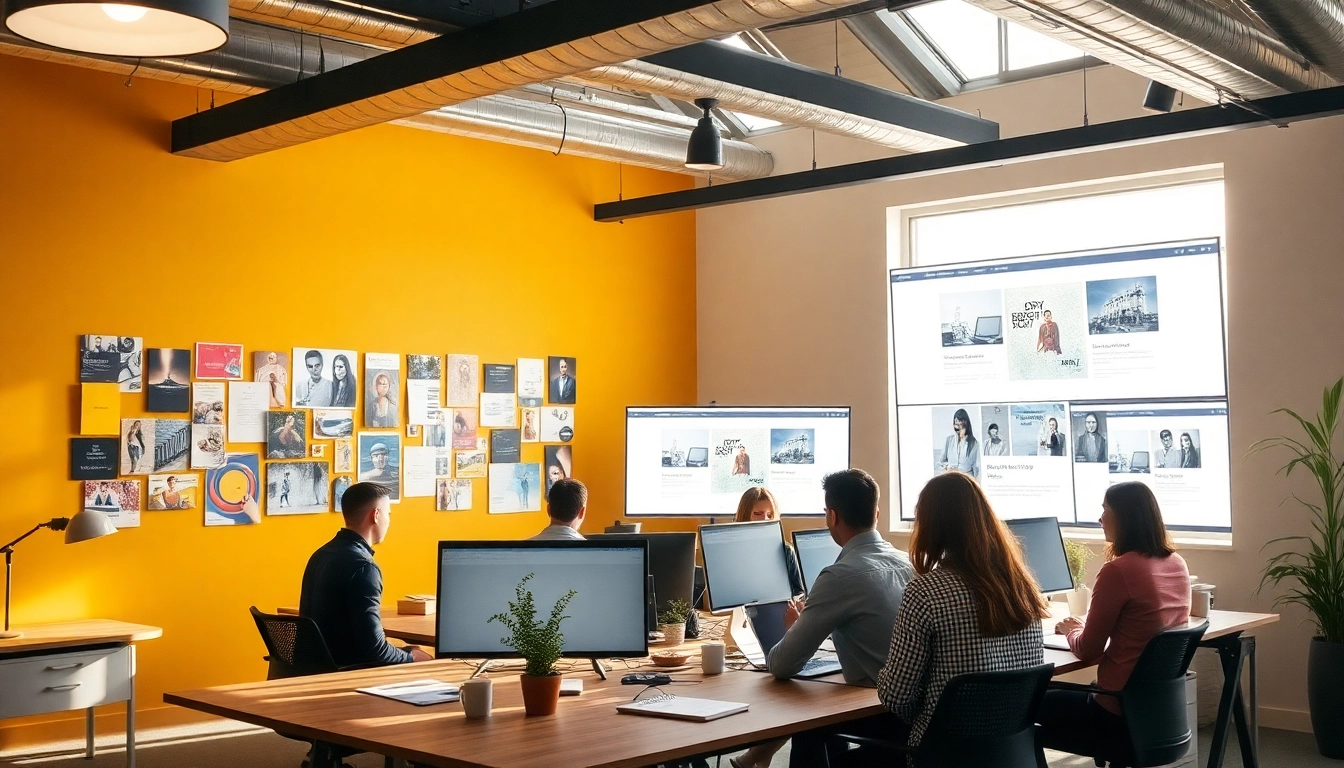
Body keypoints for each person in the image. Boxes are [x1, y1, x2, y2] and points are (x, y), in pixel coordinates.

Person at [876, 472, 1048, 750]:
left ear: (931, 526)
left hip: (943, 754)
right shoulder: (1022, 586)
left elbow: (896, 696)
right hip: (1011, 753)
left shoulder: (925, 592)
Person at [765, 469, 915, 768]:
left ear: (832, 516)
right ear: (877, 512)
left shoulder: (840, 576)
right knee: (820, 712)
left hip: (886, 718)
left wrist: (795, 630)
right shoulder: (908, 560)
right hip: (920, 718)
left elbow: (782, 665)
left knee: (809, 720)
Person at [1036, 482, 1190, 757]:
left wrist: (1073, 629)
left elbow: (1088, 649)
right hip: (1156, 711)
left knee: (1026, 706)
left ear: (1124, 517)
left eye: (1105, 509)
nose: (1100, 518)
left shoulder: (1118, 571)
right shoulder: (1176, 562)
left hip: (1114, 713)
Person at [299, 482, 431, 667]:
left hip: (318, 669)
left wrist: (407, 651)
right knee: (429, 661)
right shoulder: (363, 568)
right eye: (388, 514)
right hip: (349, 676)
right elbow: (376, 651)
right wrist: (412, 657)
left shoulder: (320, 555)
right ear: (376, 515)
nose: (389, 521)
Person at [735, 487, 805, 596]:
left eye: (770, 515)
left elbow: (799, 592)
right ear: (745, 516)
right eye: (758, 513)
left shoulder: (785, 551)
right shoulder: (732, 552)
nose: (765, 519)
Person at [939, 408, 980, 475]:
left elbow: (976, 468)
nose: (958, 426)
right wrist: (948, 467)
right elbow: (941, 461)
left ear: (966, 423)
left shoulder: (974, 443)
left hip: (966, 479)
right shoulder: (949, 440)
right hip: (951, 477)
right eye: (956, 422)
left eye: (960, 422)